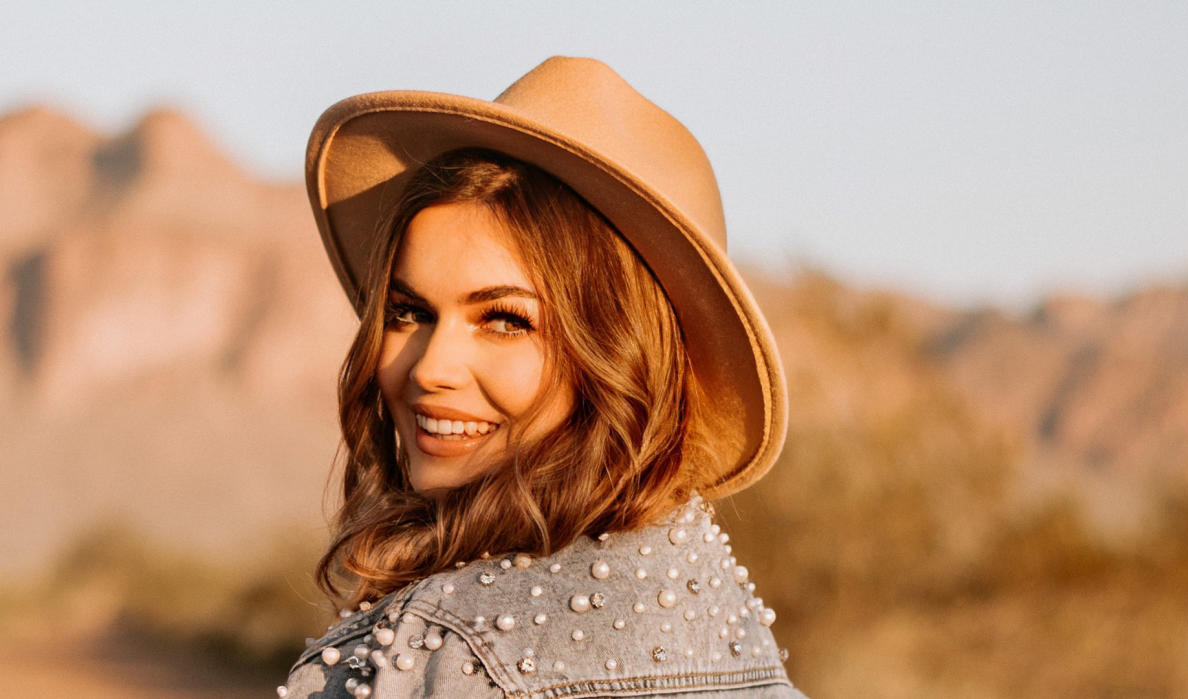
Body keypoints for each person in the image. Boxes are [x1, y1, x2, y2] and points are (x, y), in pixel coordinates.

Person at [280, 56, 802, 698]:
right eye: (408, 311)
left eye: (504, 321)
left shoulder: (433, 654)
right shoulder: (720, 611)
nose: (431, 368)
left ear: (620, 352)